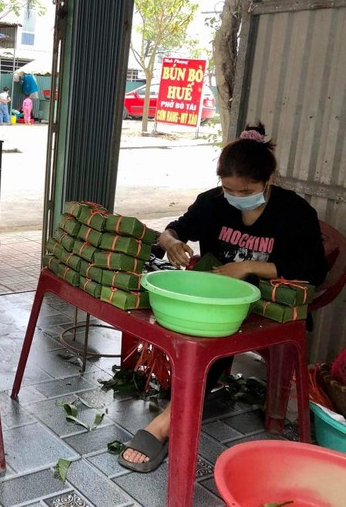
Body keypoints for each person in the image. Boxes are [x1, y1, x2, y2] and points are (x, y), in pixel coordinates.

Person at [118, 122, 328, 474]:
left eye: (246, 190)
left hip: (265, 306)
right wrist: (171, 242)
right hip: (218, 302)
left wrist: (248, 267)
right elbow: (174, 229)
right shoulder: (214, 203)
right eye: (228, 188)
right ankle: (183, 390)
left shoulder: (294, 213)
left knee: (210, 340)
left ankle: (165, 424)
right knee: (190, 326)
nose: (236, 196)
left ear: (269, 180)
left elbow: (314, 269)